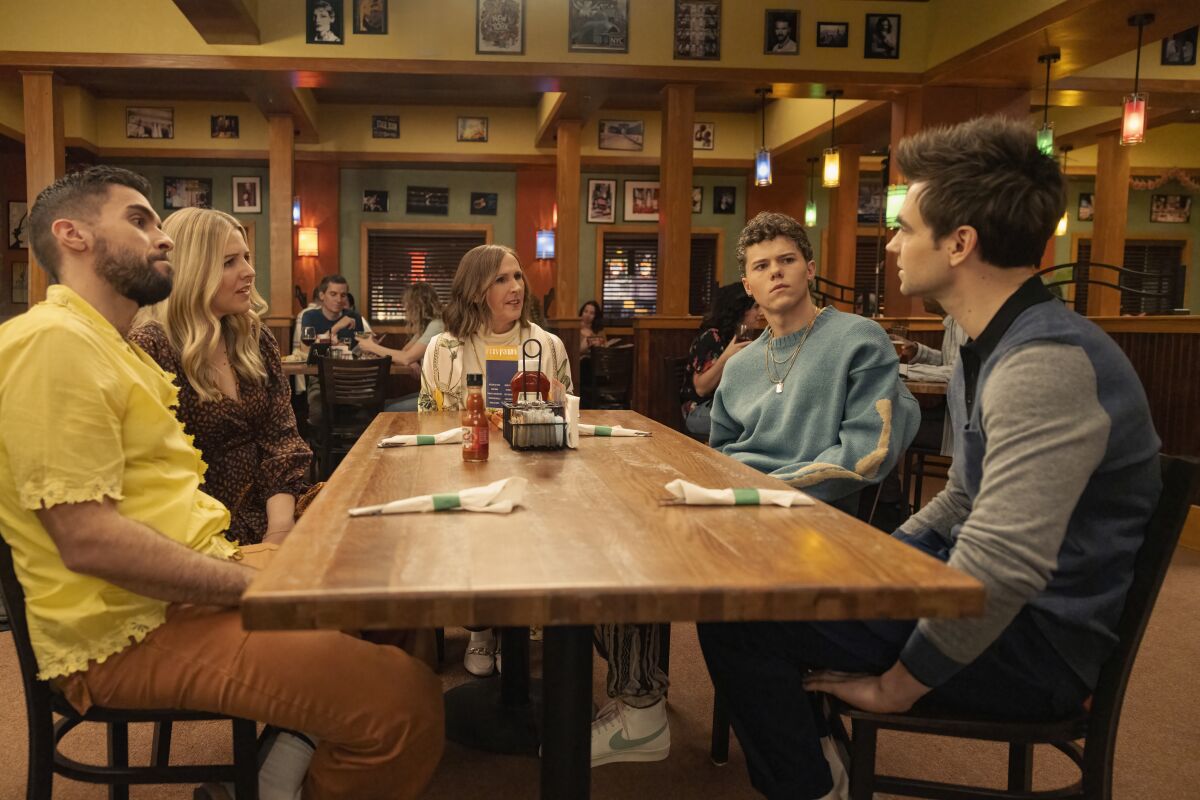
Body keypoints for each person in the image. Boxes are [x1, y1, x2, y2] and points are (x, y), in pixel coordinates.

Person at [699, 116, 1161, 800]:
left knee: (738, 619)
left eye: (907, 228)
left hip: (1035, 646)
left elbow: (1002, 568)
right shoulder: (993, 340)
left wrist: (895, 686)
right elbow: (963, 499)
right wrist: (874, 560)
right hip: (987, 604)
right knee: (756, 598)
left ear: (960, 243)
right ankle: (817, 760)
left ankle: (809, 786)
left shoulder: (1046, 363)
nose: (891, 244)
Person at [0, 166, 443, 800]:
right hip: (129, 628)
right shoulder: (52, 344)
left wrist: (263, 556)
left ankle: (265, 778)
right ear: (72, 235)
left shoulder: (111, 345)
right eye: (139, 219)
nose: (162, 238)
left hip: (190, 576)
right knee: (406, 705)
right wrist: (253, 585)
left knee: (389, 597)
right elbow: (88, 542)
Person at [708, 211, 919, 510]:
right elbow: (718, 454)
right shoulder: (738, 366)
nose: (775, 272)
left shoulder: (860, 339)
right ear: (747, 285)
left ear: (810, 270)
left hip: (816, 516)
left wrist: (766, 492)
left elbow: (866, 454)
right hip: (737, 505)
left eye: (787, 260)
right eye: (761, 266)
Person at [129, 208, 313, 546]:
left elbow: (282, 441)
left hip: (274, 513)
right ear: (190, 271)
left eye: (246, 257)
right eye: (229, 262)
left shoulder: (254, 337)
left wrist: (279, 532)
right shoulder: (150, 347)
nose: (249, 271)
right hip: (192, 533)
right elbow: (154, 476)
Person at [890, 296, 969, 455]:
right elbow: (952, 360)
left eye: (926, 291)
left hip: (958, 427)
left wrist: (902, 370)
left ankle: (889, 481)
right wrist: (916, 350)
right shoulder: (953, 321)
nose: (921, 295)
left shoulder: (962, 322)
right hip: (952, 415)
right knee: (887, 422)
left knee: (884, 428)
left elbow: (956, 371)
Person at [680, 283, 758, 438]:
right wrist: (726, 357)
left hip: (726, 407)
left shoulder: (737, 337)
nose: (760, 313)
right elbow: (701, 388)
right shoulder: (711, 336)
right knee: (753, 423)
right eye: (755, 307)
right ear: (740, 310)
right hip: (699, 412)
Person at [358, 282, 445, 412]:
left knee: (389, 410)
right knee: (386, 404)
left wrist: (371, 347)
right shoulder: (427, 326)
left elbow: (405, 357)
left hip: (444, 397)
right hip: (434, 392)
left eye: (406, 304)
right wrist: (411, 361)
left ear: (416, 306)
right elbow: (405, 353)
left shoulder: (437, 325)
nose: (404, 308)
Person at [299, 274, 368, 424]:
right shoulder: (309, 316)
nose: (339, 299)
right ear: (322, 295)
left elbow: (361, 351)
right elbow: (305, 349)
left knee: (371, 408)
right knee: (318, 412)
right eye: (333, 294)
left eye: (343, 295)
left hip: (351, 379)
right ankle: (321, 446)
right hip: (320, 380)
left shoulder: (355, 317)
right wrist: (337, 327)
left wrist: (349, 350)